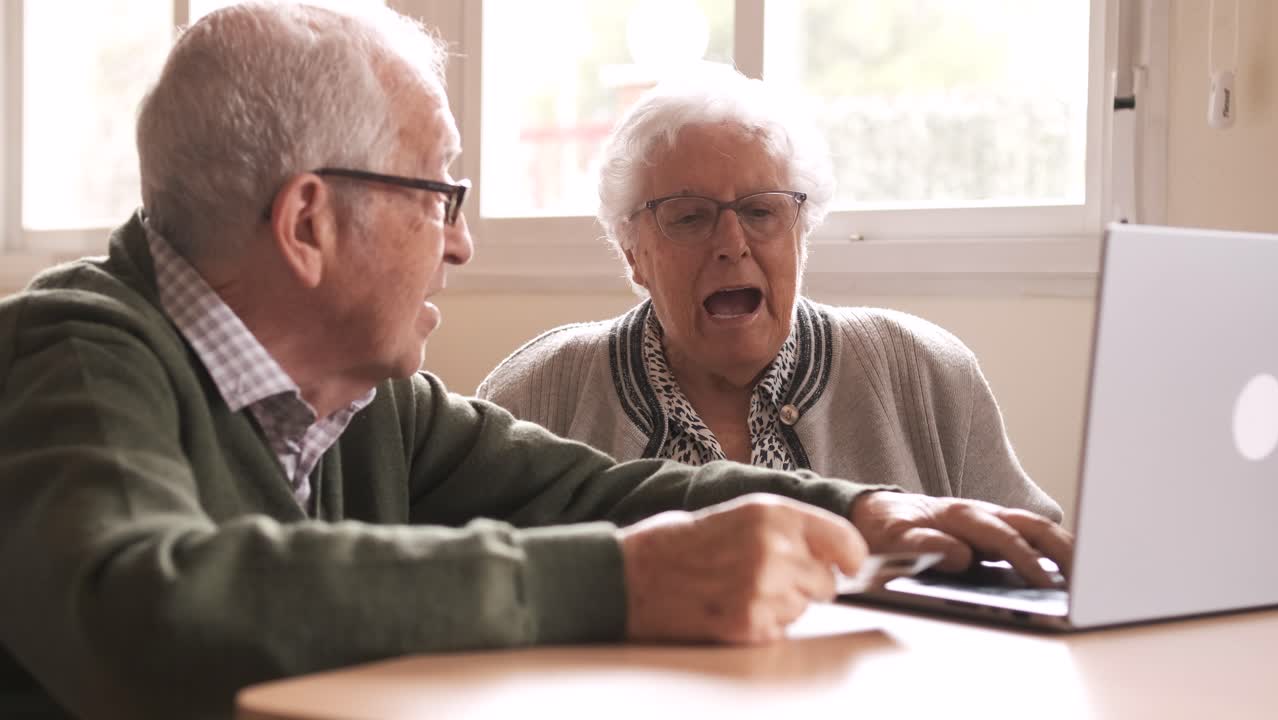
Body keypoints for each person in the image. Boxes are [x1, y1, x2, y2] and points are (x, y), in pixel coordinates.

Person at [0, 4, 1069, 719]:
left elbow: (591, 488)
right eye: (436, 193)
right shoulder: (75, 350)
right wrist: (626, 581)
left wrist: (861, 507)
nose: (460, 242)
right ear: (308, 223)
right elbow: (136, 606)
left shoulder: (372, 403)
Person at [478, 63, 1063, 522]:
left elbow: (1033, 569)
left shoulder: (925, 375)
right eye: (689, 217)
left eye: (762, 211)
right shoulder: (537, 395)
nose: (731, 243)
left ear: (801, 234)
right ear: (633, 251)